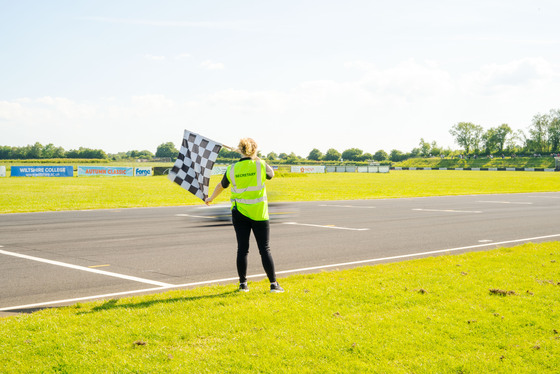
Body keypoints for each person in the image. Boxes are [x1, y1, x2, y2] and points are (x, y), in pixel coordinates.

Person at [205, 138, 284, 293]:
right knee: (264, 249)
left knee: (242, 249)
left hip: (239, 213)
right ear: (254, 150)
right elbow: (271, 174)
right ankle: (273, 284)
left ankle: (243, 284)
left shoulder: (232, 168)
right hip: (259, 213)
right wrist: (256, 157)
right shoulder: (260, 164)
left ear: (240, 150)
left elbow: (222, 185)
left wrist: (211, 198)